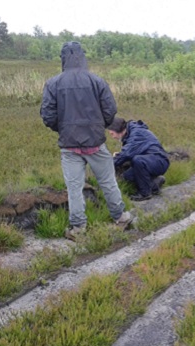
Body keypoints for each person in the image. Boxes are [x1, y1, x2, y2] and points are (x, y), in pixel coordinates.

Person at [40, 41, 132, 240]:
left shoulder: (53, 83)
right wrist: (99, 127)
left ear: (63, 59)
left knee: (74, 187)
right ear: (82, 57)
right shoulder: (96, 81)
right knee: (108, 181)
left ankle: (78, 229)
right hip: (96, 143)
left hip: (69, 145)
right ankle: (122, 217)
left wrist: (63, 129)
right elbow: (110, 111)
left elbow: (47, 115)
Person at [107, 117, 170, 201]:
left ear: (119, 130)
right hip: (150, 160)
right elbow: (130, 151)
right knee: (127, 176)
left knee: (138, 160)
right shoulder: (131, 133)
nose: (112, 137)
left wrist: (106, 167)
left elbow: (126, 154)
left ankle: (145, 194)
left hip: (159, 161)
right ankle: (154, 183)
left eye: (112, 134)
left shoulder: (136, 134)